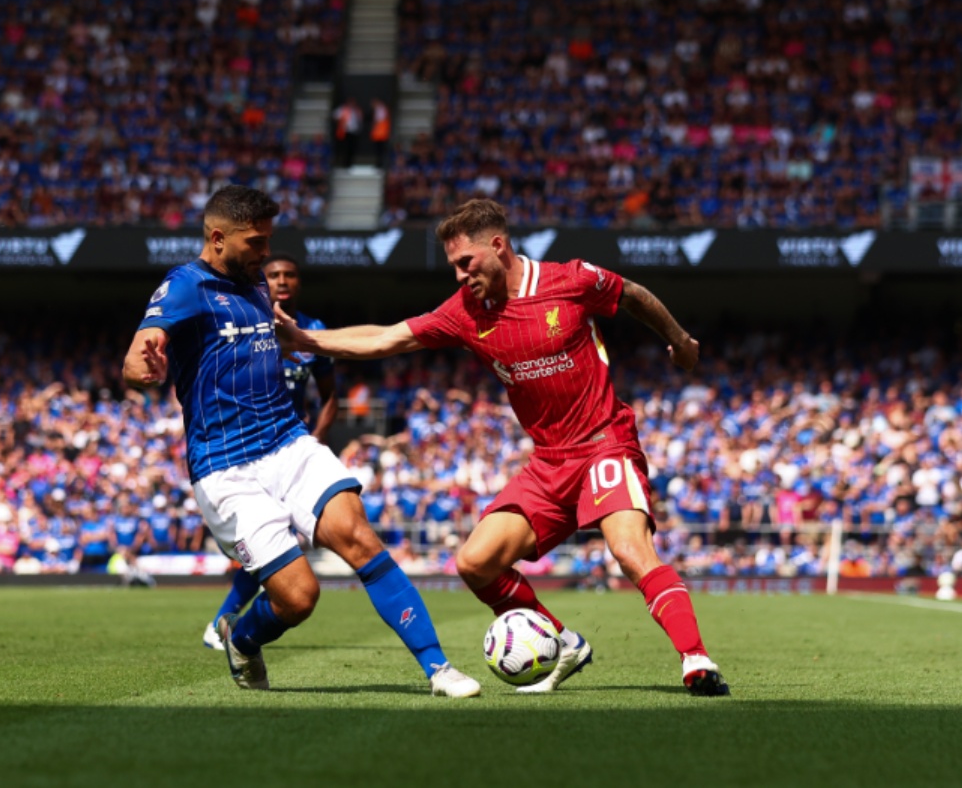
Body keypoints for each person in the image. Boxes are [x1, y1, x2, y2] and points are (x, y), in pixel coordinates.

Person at [275, 198, 730, 696]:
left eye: (464, 262)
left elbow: (636, 295)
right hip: (548, 462)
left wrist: (681, 341)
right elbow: (388, 338)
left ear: (498, 246)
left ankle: (695, 659)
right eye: (452, 266)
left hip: (604, 443)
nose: (458, 276)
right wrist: (308, 341)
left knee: (628, 548)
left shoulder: (570, 280)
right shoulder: (466, 311)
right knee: (475, 562)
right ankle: (562, 641)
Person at [123, 184, 479, 697]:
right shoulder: (184, 286)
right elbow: (136, 356)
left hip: (288, 443)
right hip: (225, 468)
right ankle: (243, 639)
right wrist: (145, 366)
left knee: (359, 537)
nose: (266, 255)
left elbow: (298, 348)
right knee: (299, 597)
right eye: (256, 243)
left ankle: (438, 668)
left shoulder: (256, 287)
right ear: (218, 238)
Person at [202, 252, 340, 651]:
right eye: (274, 274)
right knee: (275, 542)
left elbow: (330, 397)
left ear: (298, 282)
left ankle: (222, 624)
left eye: (290, 274)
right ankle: (222, 623)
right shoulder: (246, 322)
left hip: (289, 451)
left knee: (282, 542)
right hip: (244, 450)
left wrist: (315, 440)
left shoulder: (313, 330)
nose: (282, 280)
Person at [332, 97, 362, 168]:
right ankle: (343, 163)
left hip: (354, 132)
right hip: (345, 132)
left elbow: (359, 119)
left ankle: (349, 163)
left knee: (352, 148)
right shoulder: (342, 109)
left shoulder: (356, 110)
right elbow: (335, 116)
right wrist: (341, 123)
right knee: (344, 148)